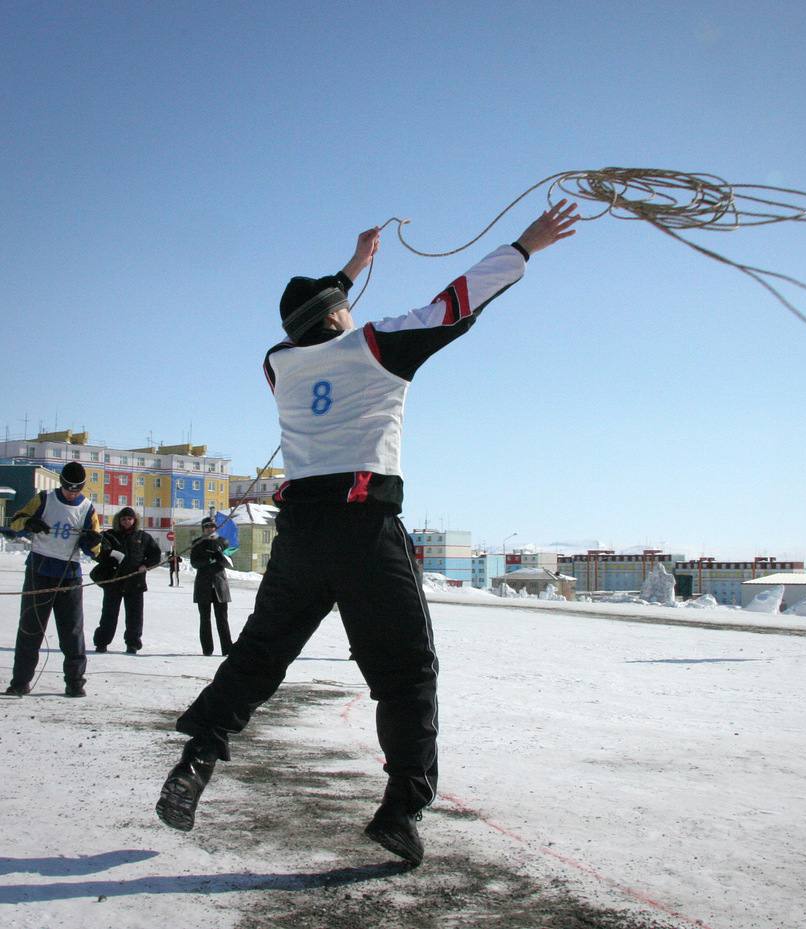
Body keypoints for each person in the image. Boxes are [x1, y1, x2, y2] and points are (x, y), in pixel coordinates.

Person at [155, 201, 579, 865]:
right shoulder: (376, 346)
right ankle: (401, 807)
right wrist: (526, 245)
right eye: (342, 303)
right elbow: (458, 302)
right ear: (334, 316)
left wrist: (352, 267)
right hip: (364, 529)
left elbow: (314, 319)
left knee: (260, 655)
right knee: (407, 670)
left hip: (299, 534)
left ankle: (195, 760)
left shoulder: (278, 365)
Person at [4, 461, 101, 697]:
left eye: (76, 489)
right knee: (30, 629)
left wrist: (92, 542)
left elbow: (96, 549)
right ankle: (20, 682)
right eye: (68, 488)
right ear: (61, 484)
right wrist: (29, 523)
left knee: (72, 632)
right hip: (39, 571)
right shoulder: (44, 499)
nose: (71, 493)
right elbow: (15, 523)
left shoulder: (87, 508)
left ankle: (75, 682)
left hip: (69, 577)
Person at [91, 507, 162, 654]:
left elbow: (156, 555)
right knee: (109, 615)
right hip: (113, 581)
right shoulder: (110, 535)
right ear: (119, 520)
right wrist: (109, 555)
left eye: (129, 519)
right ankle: (102, 642)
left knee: (135, 617)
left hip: (135, 582)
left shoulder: (143, 537)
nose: (127, 522)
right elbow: (98, 553)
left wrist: (145, 565)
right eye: (123, 519)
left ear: (134, 520)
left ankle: (133, 644)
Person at [190, 516, 232, 656]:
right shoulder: (197, 543)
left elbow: (227, 557)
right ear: (203, 529)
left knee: (222, 619)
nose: (210, 529)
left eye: (212, 526)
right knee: (205, 619)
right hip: (203, 585)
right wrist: (208, 560)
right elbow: (194, 563)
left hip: (220, 585)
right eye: (207, 527)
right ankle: (207, 649)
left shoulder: (222, 541)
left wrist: (219, 554)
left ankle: (227, 649)